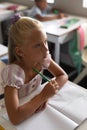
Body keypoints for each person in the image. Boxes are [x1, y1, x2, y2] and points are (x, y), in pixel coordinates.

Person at [1, 14, 68, 125]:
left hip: (32, 108)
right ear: (20, 51)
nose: (46, 49)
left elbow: (63, 76)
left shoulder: (43, 59)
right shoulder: (13, 74)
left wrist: (47, 95)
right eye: (38, 45)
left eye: (45, 41)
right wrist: (43, 96)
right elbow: (14, 118)